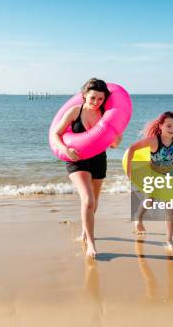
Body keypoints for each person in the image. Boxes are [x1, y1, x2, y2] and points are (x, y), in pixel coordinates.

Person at [51, 78, 122, 258]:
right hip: (77, 159)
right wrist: (65, 149)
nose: (96, 102)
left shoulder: (105, 114)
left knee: (94, 202)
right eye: (92, 98)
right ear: (84, 96)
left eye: (100, 99)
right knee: (88, 200)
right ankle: (91, 243)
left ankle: (85, 232)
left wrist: (116, 139)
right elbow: (56, 134)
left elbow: (113, 144)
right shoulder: (75, 111)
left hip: (99, 158)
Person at [125, 111, 173, 251]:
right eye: (169, 126)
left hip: (169, 176)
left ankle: (169, 240)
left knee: (170, 207)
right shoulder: (154, 141)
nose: (172, 129)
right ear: (161, 125)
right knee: (150, 201)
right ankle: (138, 217)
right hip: (152, 176)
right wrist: (129, 171)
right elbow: (132, 148)